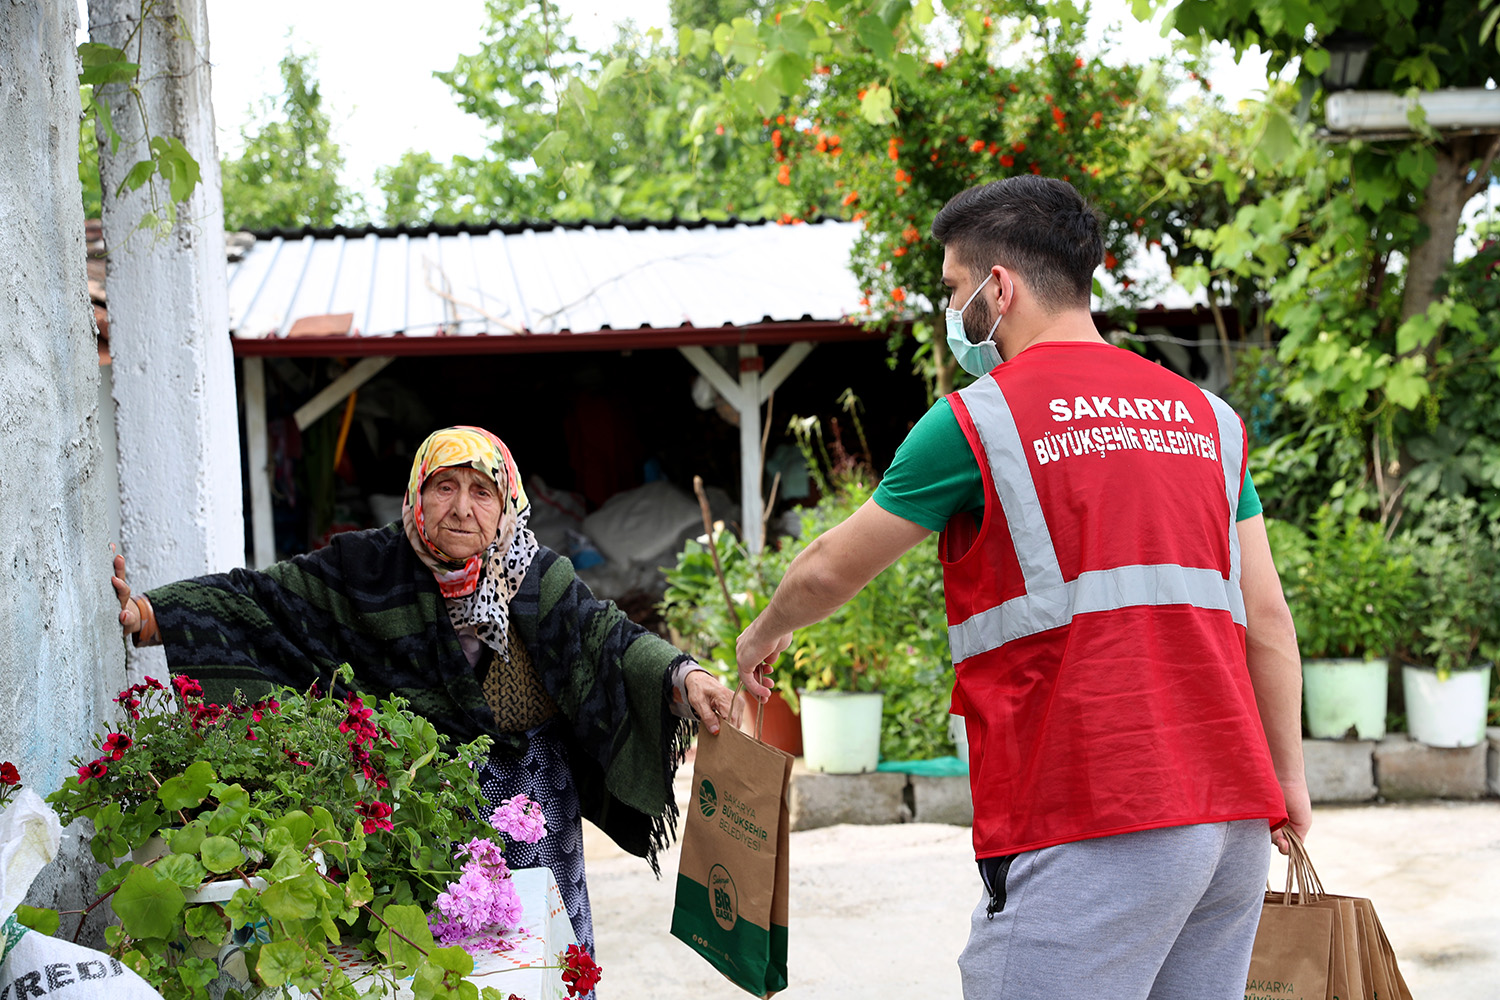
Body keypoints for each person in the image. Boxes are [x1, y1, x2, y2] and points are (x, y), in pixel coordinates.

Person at [736, 177, 1309, 1000]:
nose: (953, 310)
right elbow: (1268, 619)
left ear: (997, 287)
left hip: (1092, 814)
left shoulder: (980, 418)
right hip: (1230, 826)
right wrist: (1284, 782)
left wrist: (761, 637)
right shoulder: (1207, 419)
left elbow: (831, 565)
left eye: (952, 289)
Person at [112, 424, 738, 961]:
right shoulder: (365, 566)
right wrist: (149, 614)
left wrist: (688, 677)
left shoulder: (537, 575)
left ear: (506, 503)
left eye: (481, 490)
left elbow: (610, 636)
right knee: (439, 947)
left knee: (545, 942)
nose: (462, 507)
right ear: (417, 494)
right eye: (445, 486)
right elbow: (260, 600)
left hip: (534, 791)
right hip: (416, 799)